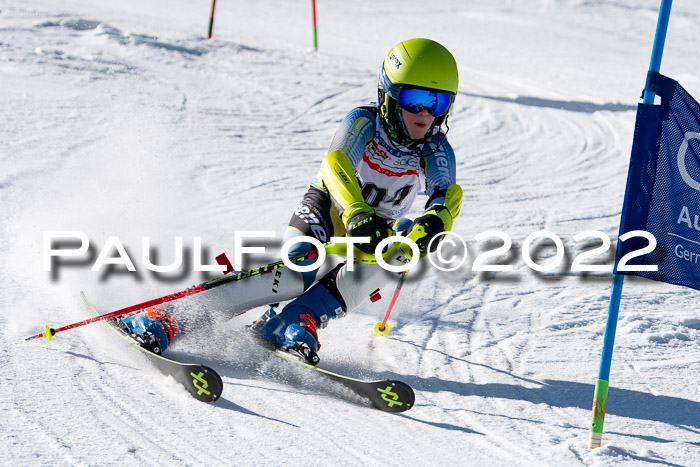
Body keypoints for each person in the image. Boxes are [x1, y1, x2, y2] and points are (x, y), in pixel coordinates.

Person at [119, 38, 464, 364]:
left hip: (375, 229)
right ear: (388, 94)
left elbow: (446, 195)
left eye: (438, 102)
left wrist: (434, 221)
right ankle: (170, 315)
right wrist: (357, 212)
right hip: (330, 207)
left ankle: (291, 322)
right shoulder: (364, 122)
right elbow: (335, 164)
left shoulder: (435, 149)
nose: (425, 113)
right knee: (292, 273)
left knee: (398, 253)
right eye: (414, 99)